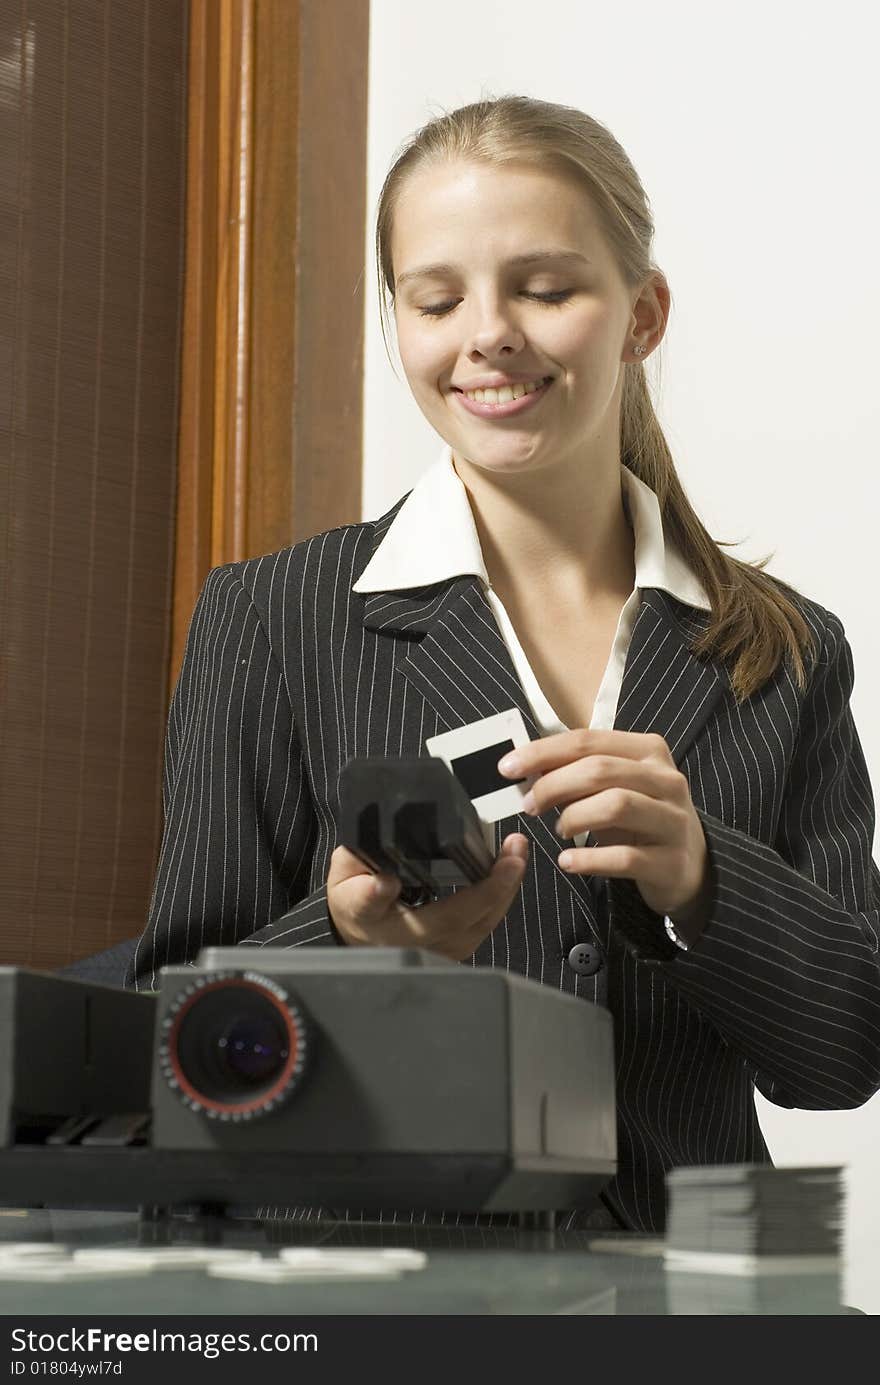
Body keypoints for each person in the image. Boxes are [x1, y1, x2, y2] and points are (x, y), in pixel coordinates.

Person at [127, 95, 880, 1234]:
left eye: (544, 287)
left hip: (692, 1310)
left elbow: (843, 1051)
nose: (487, 332)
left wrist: (702, 879)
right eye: (437, 299)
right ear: (400, 321)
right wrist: (350, 945)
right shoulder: (269, 617)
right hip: (379, 1312)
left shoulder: (785, 648)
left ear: (642, 314)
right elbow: (164, 1051)